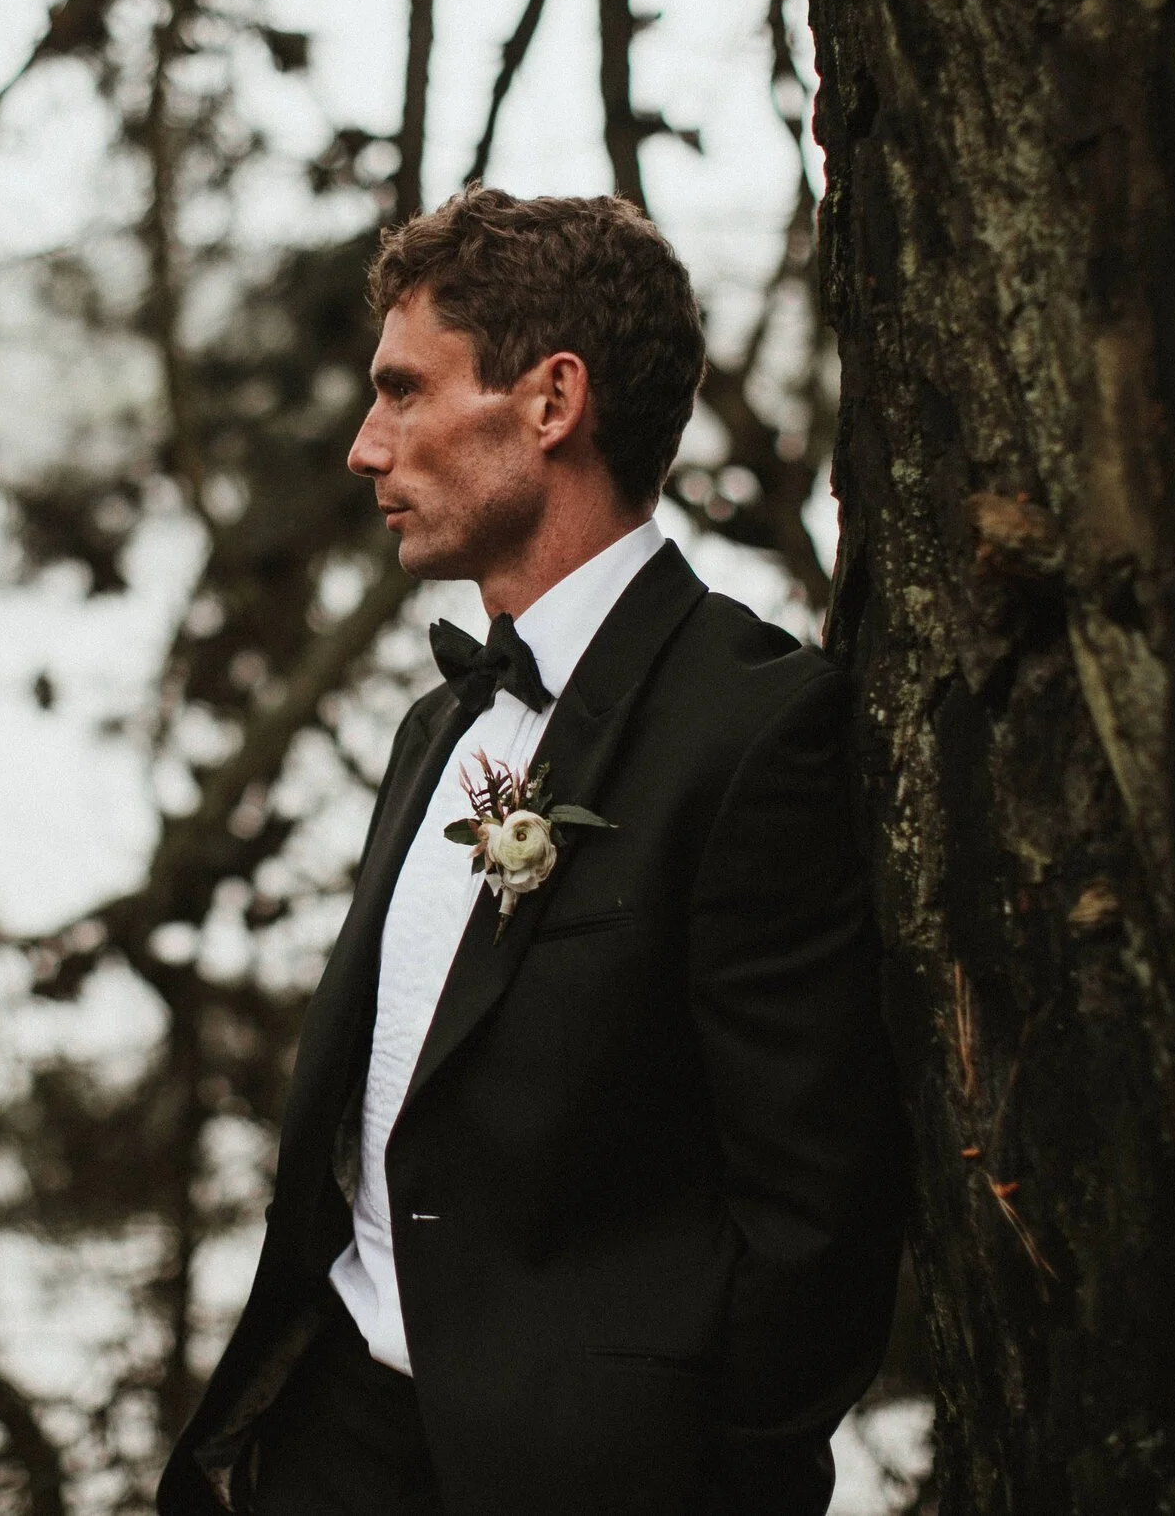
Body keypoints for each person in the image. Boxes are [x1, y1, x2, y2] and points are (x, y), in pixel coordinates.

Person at [158, 187, 910, 1516]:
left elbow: (820, 1223)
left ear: (550, 401)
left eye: (403, 390)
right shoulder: (436, 725)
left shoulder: (755, 728)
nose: (362, 446)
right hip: (328, 1437)